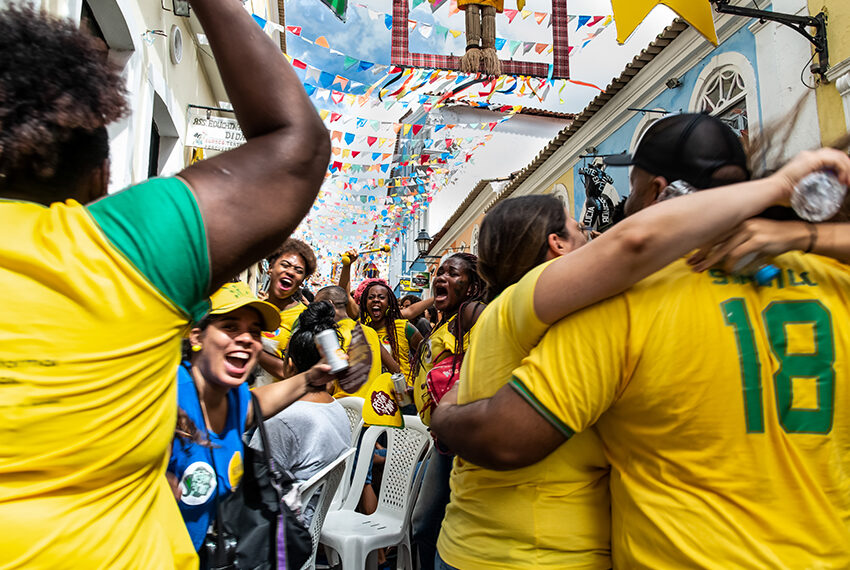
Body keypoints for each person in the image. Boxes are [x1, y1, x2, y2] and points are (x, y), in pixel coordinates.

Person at [432, 115, 850, 569]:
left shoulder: (623, 302)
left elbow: (506, 436)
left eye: (630, 187)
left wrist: (445, 416)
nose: (601, 225)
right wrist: (804, 230)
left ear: (657, 192)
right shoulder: (833, 278)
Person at [0, 0, 328, 566]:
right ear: (101, 176)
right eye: (231, 326)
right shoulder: (117, 252)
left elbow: (245, 407)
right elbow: (297, 144)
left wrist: (303, 378)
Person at [167, 283, 335, 555]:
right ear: (197, 336)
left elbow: (256, 404)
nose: (246, 338)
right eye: (230, 327)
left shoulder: (232, 397)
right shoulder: (167, 397)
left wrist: (310, 378)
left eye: (254, 331)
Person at [409, 253, 486, 570]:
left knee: (426, 524)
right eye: (439, 272)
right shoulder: (448, 320)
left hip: (455, 441)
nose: (441, 277)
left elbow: (477, 367)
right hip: (439, 439)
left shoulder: (472, 312)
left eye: (453, 273)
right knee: (425, 522)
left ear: (472, 287)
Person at [250, 301, 351, 525]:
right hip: (316, 520)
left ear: (289, 364)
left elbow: (253, 490)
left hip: (282, 529)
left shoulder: (282, 421)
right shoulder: (336, 407)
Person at [313, 285, 396, 395]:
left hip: (343, 403)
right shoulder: (370, 332)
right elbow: (395, 369)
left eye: (317, 305)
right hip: (370, 403)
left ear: (330, 304)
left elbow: (329, 385)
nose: (315, 310)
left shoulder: (332, 335)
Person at [258, 239, 317, 380]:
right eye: (285, 265)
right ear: (270, 267)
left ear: (302, 280)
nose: (290, 272)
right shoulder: (254, 307)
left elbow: (292, 373)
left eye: (298, 271)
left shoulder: (304, 317)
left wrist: (253, 348)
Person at [356, 278, 424, 384]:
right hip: (371, 390)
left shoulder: (404, 328)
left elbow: (427, 354)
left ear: (389, 303)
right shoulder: (360, 328)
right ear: (365, 303)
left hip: (400, 390)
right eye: (371, 297)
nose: (376, 300)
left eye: (381, 297)